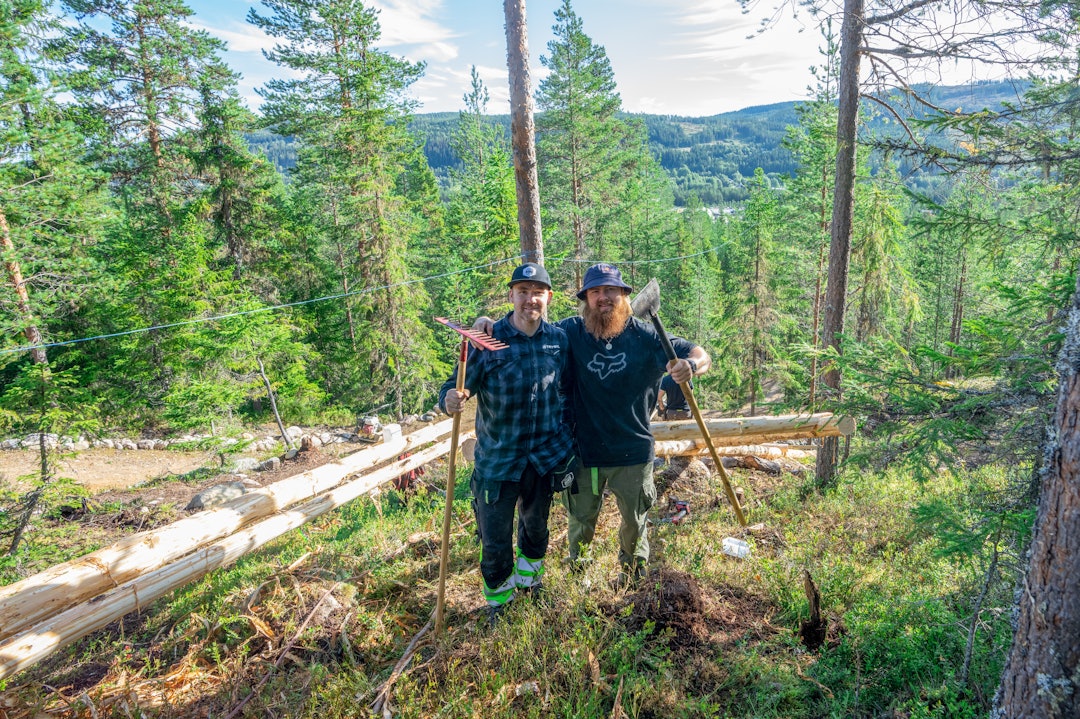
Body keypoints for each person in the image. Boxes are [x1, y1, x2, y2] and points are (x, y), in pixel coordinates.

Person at [474, 263, 711, 585]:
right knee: (581, 521)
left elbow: (699, 353)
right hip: (582, 452)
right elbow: (528, 328)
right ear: (585, 298)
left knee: (635, 522)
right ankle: (579, 578)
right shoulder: (570, 332)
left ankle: (632, 579)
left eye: (611, 290)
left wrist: (691, 365)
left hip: (633, 452)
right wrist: (488, 325)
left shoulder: (646, 336)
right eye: (596, 291)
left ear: (625, 296)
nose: (604, 298)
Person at [439, 262, 574, 625]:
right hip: (498, 462)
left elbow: (568, 390)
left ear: (548, 297)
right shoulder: (486, 340)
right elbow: (455, 386)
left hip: (543, 459)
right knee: (495, 541)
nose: (530, 298)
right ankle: (499, 602)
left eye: (537, 291)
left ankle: (530, 584)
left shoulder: (558, 340)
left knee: (536, 529)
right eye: (523, 291)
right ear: (511, 295)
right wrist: (450, 398)